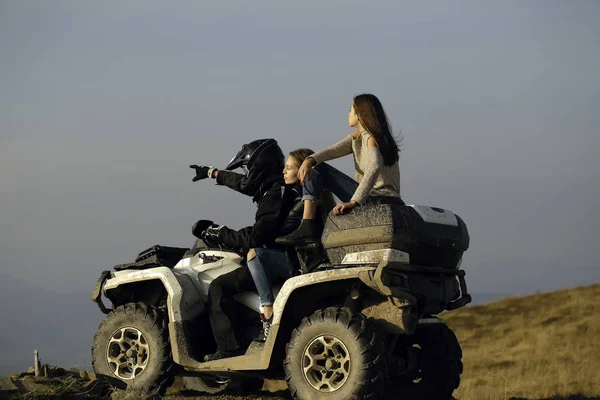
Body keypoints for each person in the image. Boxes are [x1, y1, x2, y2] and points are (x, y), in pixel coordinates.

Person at [189, 139, 303, 361]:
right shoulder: (275, 189)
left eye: (249, 168)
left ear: (260, 168)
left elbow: (255, 237)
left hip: (277, 258)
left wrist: (220, 233)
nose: (247, 174)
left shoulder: (275, 195)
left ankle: (230, 349)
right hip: (278, 252)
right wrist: (212, 173)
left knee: (218, 287)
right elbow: (245, 185)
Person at [276, 93, 403, 245]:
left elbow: (374, 166)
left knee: (318, 170)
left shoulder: (370, 138)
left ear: (359, 115)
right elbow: (332, 151)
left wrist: (355, 202)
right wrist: (310, 159)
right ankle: (307, 226)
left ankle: (307, 225)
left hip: (376, 200)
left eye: (350, 110)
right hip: (386, 199)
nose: (348, 113)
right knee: (316, 165)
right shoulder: (361, 137)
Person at [246, 149, 334, 341]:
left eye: (288, 168)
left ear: (301, 170)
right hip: (310, 261)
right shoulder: (320, 199)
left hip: (303, 265)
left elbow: (286, 232)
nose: (283, 172)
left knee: (254, 254)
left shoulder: (303, 204)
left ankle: (267, 312)